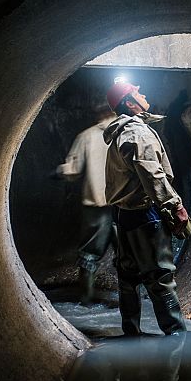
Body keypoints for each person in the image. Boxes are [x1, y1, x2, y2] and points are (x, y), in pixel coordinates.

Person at [102, 78, 191, 336]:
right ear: (129, 103)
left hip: (123, 215)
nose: (141, 91)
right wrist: (175, 207)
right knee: (161, 277)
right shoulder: (137, 133)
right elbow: (153, 176)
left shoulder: (122, 131)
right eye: (135, 91)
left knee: (128, 276)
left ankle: (131, 335)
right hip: (144, 215)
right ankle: (178, 338)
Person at [54, 104, 119, 304]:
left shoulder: (86, 136)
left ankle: (86, 300)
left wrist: (57, 172)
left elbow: (72, 170)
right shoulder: (127, 131)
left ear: (97, 113)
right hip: (124, 204)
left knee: (89, 255)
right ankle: (131, 303)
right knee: (129, 254)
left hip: (95, 204)